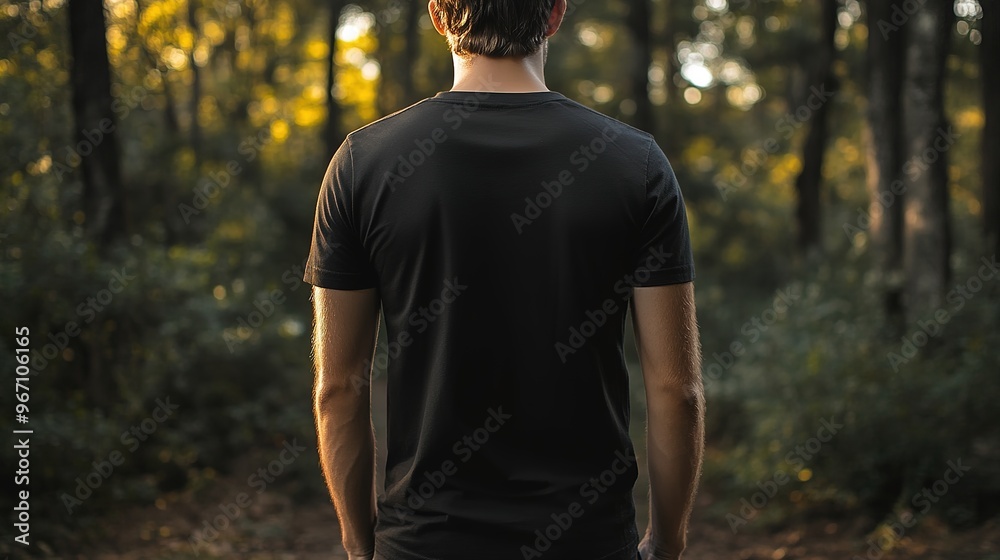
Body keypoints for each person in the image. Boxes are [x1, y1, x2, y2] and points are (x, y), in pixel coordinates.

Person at [304, 1, 705, 559]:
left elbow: (338, 388)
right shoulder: (634, 164)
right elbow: (676, 391)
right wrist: (666, 543)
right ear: (555, 14)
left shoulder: (363, 164)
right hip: (586, 542)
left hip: (425, 545)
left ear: (439, 16)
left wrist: (361, 546)